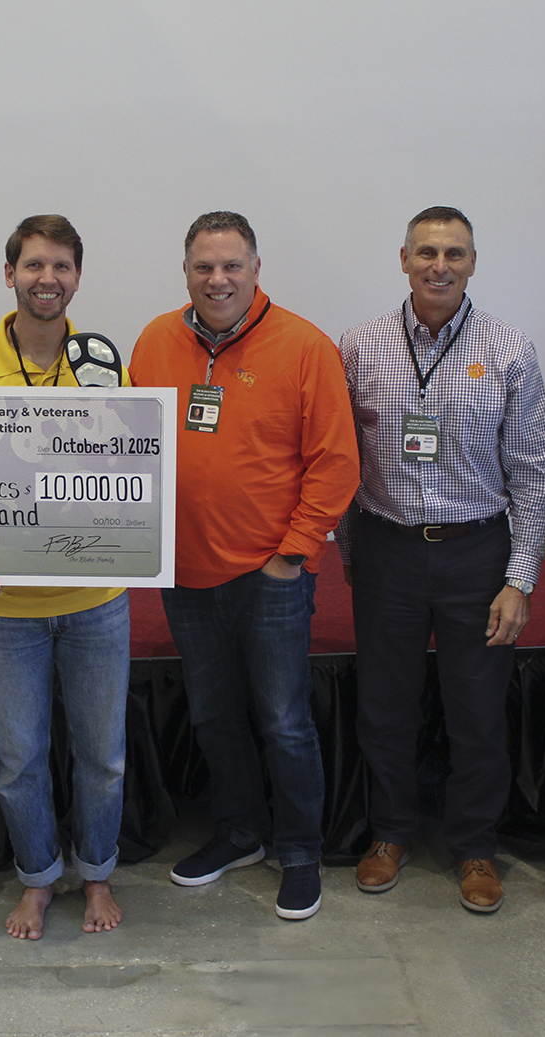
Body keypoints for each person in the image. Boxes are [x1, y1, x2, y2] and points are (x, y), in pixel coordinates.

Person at [129, 211, 358, 921]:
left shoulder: (303, 345)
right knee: (214, 715)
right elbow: (132, 446)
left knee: (284, 720)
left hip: (271, 577)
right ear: (186, 271)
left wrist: (292, 556)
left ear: (256, 269)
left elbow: (335, 462)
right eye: (203, 266)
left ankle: (298, 851)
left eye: (231, 265)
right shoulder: (155, 340)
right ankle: (238, 833)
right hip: (185, 575)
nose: (217, 279)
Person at [336, 206, 545, 913]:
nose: (439, 265)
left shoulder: (509, 348)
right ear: (401, 259)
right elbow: (339, 464)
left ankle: (474, 846)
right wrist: (353, 554)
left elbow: (531, 473)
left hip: (476, 554)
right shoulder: (359, 345)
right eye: (426, 252)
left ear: (471, 262)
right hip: (387, 553)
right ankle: (391, 832)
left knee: (476, 710)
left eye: (453, 253)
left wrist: (519, 579)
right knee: (384, 705)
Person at [0, 215, 131, 940]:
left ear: (76, 277)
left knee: (101, 755)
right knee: (19, 757)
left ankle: (98, 873)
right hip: (7, 607)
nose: (45, 279)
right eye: (32, 265)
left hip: (96, 599)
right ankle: (36, 879)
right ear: (10, 274)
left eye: (60, 266)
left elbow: (129, 468)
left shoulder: (104, 364)